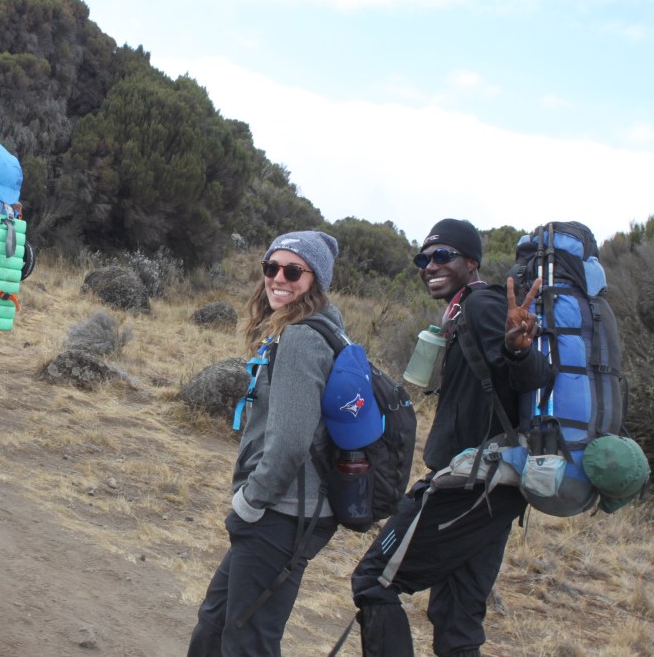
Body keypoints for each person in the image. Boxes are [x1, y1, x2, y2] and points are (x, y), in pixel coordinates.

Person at [349, 219, 553, 657]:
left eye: (442, 256)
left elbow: (536, 375)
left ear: (471, 262)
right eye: (424, 259)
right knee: (457, 620)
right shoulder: (461, 312)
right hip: (497, 489)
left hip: (471, 485)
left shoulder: (481, 305)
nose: (429, 266)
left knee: (374, 580)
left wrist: (519, 348)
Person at [188, 231, 346, 656]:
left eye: (293, 270)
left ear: (315, 280)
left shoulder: (301, 339)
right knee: (216, 623)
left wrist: (250, 501)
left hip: (281, 512)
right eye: (271, 268)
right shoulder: (307, 331)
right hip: (289, 510)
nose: (279, 278)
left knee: (247, 638)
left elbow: (291, 441)